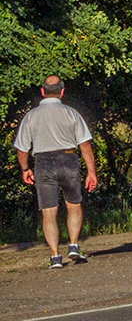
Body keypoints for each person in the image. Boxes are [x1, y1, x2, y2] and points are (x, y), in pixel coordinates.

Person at [13, 75, 98, 269]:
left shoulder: (31, 116)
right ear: (62, 91)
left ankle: (55, 256)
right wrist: (91, 172)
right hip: (68, 159)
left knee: (49, 211)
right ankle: (74, 245)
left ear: (42, 92)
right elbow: (85, 145)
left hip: (43, 162)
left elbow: (22, 149)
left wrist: (25, 169)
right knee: (73, 204)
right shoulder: (71, 113)